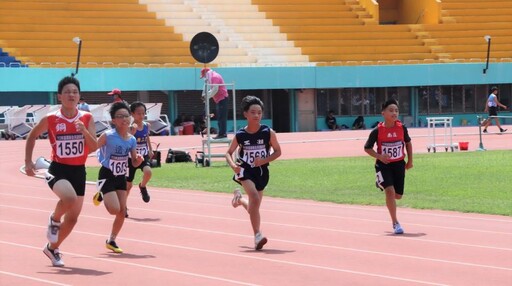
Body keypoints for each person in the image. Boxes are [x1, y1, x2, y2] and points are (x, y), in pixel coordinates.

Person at [24, 76, 98, 267]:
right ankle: (54, 219)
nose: (71, 95)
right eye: (67, 92)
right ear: (59, 97)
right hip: (58, 169)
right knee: (70, 198)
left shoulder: (87, 118)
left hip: (79, 171)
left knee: (73, 219)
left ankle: (51, 248)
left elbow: (94, 147)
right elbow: (32, 136)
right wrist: (29, 162)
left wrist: (84, 132)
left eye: (75, 92)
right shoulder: (51, 119)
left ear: (79, 96)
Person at [225, 96, 282, 250]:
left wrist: (263, 161)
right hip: (245, 170)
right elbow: (228, 153)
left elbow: (278, 152)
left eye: (259, 112)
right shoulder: (240, 135)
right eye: (253, 112)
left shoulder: (268, 132)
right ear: (245, 114)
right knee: (255, 198)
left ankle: (239, 200)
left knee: (253, 207)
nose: (256, 115)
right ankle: (257, 235)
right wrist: (233, 165)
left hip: (262, 172)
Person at [93, 102, 143, 253]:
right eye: (120, 117)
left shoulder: (131, 140)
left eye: (126, 116)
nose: (124, 119)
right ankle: (101, 192)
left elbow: (133, 162)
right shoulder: (107, 136)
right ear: (114, 121)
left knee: (122, 211)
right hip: (107, 174)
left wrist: (138, 160)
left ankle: (112, 240)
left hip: (121, 175)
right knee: (114, 209)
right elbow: (92, 146)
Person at [364, 98, 413, 235]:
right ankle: (395, 223)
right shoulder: (377, 131)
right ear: (383, 113)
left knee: (398, 196)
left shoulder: (402, 128)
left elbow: (408, 143)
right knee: (390, 192)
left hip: (399, 164)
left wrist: (410, 161)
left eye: (396, 110)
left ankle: (382, 183)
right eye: (391, 110)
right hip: (383, 165)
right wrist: (379, 156)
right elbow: (367, 148)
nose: (394, 113)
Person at [125, 101, 153, 217]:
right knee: (128, 185)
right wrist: (132, 133)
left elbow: (147, 137)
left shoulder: (147, 126)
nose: (141, 116)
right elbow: (126, 140)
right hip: (131, 158)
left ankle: (142, 186)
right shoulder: (129, 127)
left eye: (143, 113)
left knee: (148, 172)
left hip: (143, 155)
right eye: (138, 113)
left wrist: (150, 149)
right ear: (132, 114)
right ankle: (123, 206)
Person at [200, 67, 228, 139]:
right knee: (220, 117)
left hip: (222, 98)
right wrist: (206, 95)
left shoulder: (215, 77)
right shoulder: (212, 77)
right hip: (219, 99)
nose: (204, 78)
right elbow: (212, 90)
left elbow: (215, 89)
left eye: (204, 76)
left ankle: (222, 134)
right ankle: (221, 133)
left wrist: (207, 96)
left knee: (221, 117)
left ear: (207, 73)